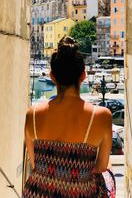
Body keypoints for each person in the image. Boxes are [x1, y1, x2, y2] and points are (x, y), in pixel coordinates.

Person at [22, 36, 114, 197]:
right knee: (109, 171)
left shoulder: (33, 115)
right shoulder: (101, 116)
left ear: (52, 76)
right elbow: (100, 167)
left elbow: (36, 163)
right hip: (79, 193)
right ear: (83, 76)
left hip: (38, 193)